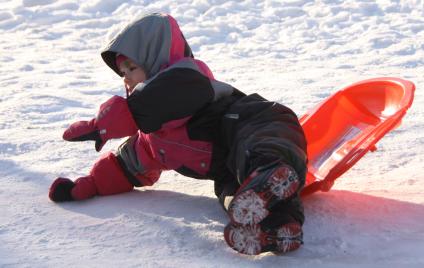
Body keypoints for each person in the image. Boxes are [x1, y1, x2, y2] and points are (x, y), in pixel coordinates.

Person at [49, 13, 307, 255]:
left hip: (255, 121)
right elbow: (125, 166)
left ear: (155, 57)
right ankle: (277, 227)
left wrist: (104, 123)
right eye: (122, 73)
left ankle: (271, 172)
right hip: (228, 166)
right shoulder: (152, 139)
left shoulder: (187, 78)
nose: (126, 79)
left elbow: (159, 100)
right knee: (233, 196)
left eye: (131, 67)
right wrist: (86, 187)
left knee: (261, 146)